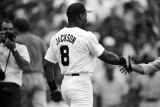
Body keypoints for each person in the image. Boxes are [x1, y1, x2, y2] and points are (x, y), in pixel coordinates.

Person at [43, 2, 128, 107]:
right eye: (85, 15)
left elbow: (47, 65)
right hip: (81, 84)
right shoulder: (86, 36)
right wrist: (122, 61)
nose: (86, 19)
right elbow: (107, 57)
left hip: (66, 84)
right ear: (80, 16)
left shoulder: (56, 37)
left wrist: (53, 89)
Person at [13, 18, 48, 107]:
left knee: (23, 104)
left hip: (23, 76)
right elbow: (47, 59)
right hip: (39, 76)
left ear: (16, 28)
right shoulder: (38, 40)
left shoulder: (16, 40)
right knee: (40, 105)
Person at [0, 18, 30, 107]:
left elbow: (25, 66)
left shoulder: (21, 48)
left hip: (13, 88)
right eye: (5, 29)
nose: (8, 31)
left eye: (10, 29)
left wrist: (13, 49)